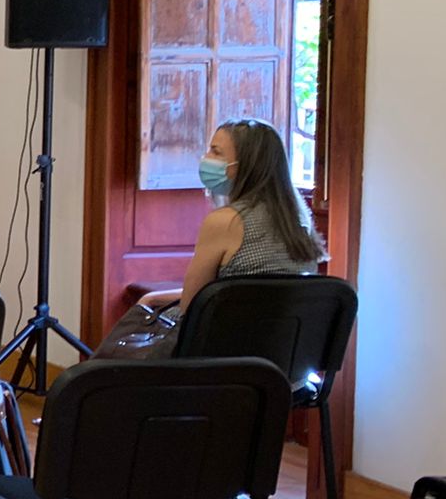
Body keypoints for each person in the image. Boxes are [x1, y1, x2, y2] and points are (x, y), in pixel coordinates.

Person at [99, 117, 325, 355]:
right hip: (282, 366)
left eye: (215, 152)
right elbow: (240, 294)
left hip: (220, 362)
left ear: (245, 165)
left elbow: (192, 305)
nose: (206, 159)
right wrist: (155, 296)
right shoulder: (299, 219)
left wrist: (149, 301)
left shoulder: (226, 221)